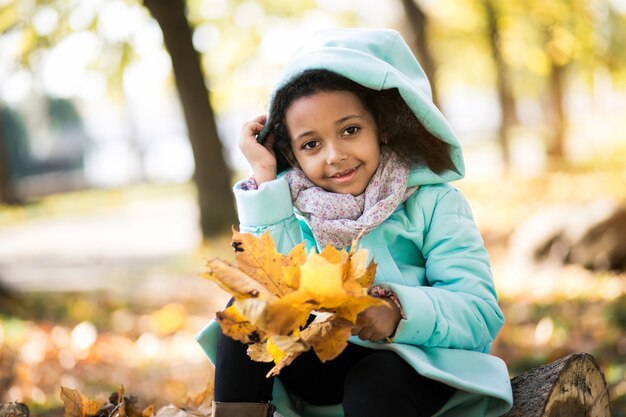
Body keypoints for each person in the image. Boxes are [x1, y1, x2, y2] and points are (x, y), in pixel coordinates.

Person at [197, 28, 513, 417]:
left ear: (382, 127)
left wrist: (400, 312)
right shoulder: (294, 209)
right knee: (250, 307)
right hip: (327, 371)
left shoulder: (435, 204)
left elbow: (479, 312)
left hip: (419, 370)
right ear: (292, 154)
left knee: (377, 375)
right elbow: (271, 284)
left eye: (350, 130)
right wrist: (264, 176)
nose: (334, 155)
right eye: (311, 144)